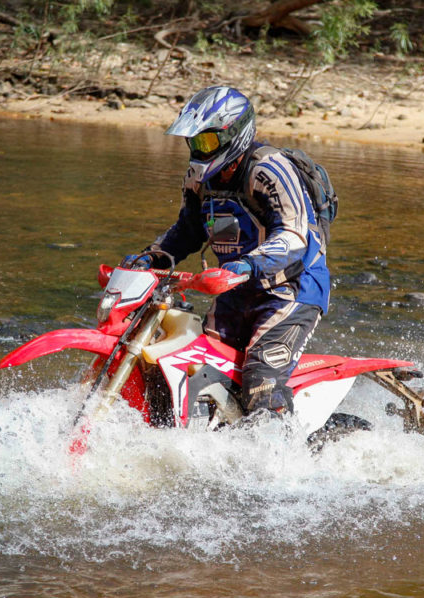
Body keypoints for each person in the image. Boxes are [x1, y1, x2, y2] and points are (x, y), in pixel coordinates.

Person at [120, 85, 329, 418]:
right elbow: (187, 231)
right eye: (194, 142)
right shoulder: (197, 178)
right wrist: (150, 258)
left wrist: (245, 266)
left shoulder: (269, 169)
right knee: (191, 365)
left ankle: (281, 459)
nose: (199, 151)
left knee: (261, 381)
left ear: (234, 134)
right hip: (235, 290)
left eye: (207, 141)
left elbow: (294, 236)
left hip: (291, 290)